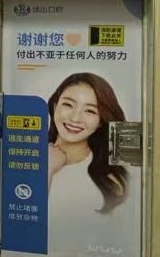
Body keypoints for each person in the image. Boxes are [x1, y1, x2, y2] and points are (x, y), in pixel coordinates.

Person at [45, 72, 128, 210]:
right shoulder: (27, 154)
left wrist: (47, 169)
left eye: (90, 111)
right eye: (68, 104)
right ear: (54, 106)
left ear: (101, 121)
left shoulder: (110, 181)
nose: (75, 118)